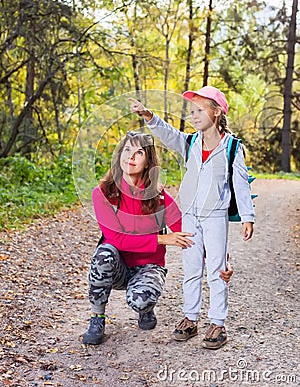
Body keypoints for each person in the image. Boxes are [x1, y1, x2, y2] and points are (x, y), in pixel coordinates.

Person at [129, 86, 254, 350]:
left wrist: (247, 217)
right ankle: (191, 317)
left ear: (217, 112)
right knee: (191, 267)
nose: (194, 115)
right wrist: (149, 115)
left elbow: (241, 184)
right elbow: (168, 134)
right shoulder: (191, 142)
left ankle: (218, 322)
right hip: (191, 215)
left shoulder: (232, 147)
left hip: (215, 215)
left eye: (200, 110)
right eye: (192, 111)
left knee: (217, 268)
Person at [82, 131, 195, 345]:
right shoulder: (103, 193)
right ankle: (97, 318)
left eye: (138, 152)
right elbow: (116, 239)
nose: (130, 157)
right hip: (118, 266)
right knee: (104, 253)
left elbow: (187, 232)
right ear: (119, 155)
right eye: (127, 150)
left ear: (148, 161)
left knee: (141, 300)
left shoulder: (159, 197)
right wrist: (162, 240)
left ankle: (146, 310)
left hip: (149, 267)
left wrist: (218, 260)